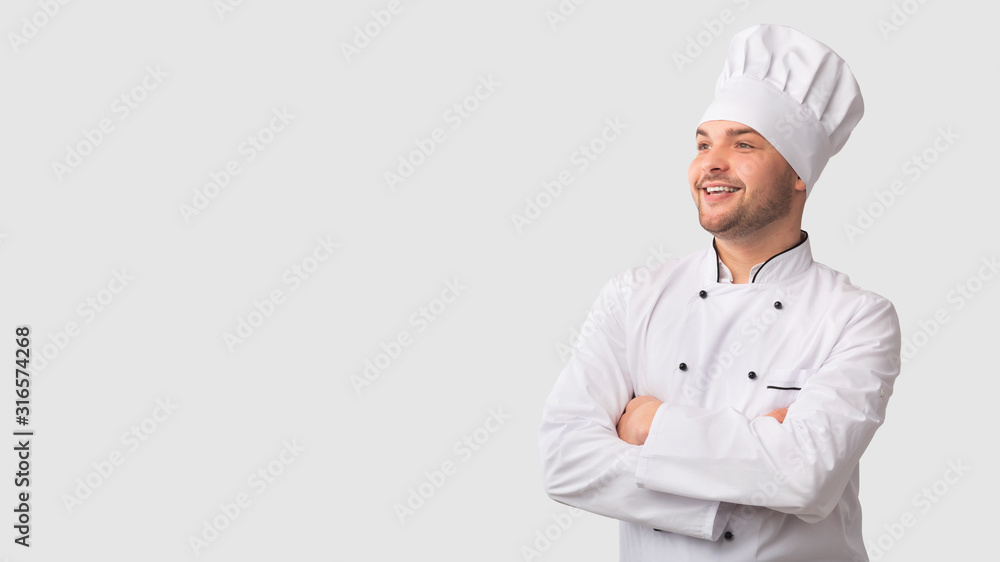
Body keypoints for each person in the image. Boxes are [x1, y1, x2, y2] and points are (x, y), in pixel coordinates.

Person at [538, 24, 901, 561]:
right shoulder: (633, 297)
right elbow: (566, 462)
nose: (710, 162)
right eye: (704, 143)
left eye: (744, 144)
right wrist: (746, 476)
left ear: (798, 173)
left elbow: (806, 478)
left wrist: (648, 423)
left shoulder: (857, 317)